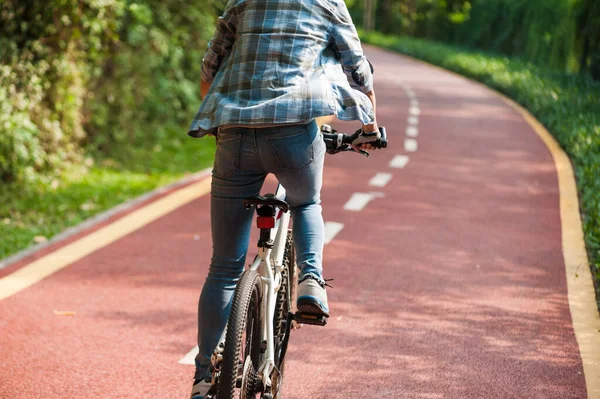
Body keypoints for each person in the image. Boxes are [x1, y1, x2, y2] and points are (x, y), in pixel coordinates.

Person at [187, 0, 379, 397]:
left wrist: (216, 120)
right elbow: (358, 70)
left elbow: (210, 67)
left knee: (223, 266)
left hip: (235, 132)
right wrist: (371, 124)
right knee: (306, 202)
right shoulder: (327, 2)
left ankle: (205, 377)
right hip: (295, 130)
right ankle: (310, 280)